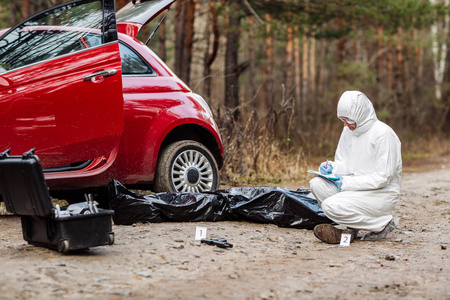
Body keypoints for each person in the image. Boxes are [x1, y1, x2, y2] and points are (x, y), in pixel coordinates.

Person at [309, 91, 402, 244]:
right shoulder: (348, 131)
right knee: (317, 184)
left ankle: (381, 224)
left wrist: (345, 183)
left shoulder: (383, 134)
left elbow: (384, 177)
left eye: (349, 119)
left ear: (361, 114)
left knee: (330, 206)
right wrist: (332, 168)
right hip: (355, 187)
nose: (345, 124)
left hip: (381, 193)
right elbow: (344, 162)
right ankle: (351, 227)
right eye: (342, 119)